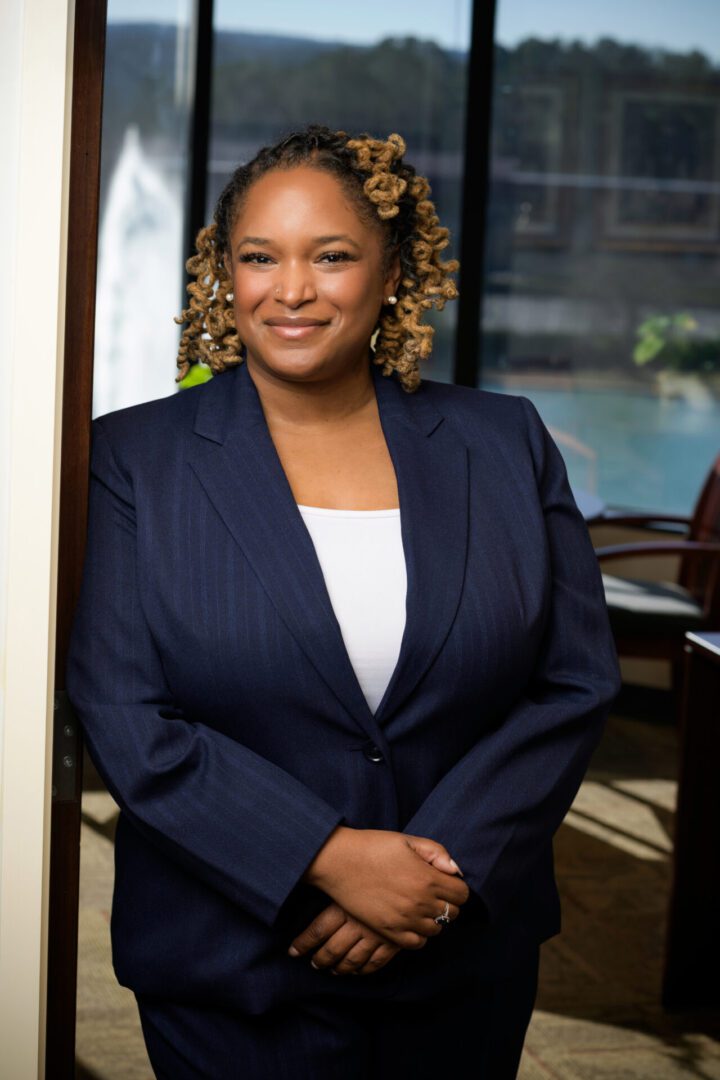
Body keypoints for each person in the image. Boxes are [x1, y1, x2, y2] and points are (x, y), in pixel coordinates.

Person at [65, 124, 622, 1079]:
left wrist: (433, 873)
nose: (291, 290)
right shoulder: (132, 458)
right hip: (231, 964)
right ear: (223, 273)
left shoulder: (504, 441)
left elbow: (573, 683)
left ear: (393, 271)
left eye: (330, 256)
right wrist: (328, 858)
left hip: (459, 958)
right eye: (259, 257)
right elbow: (123, 712)